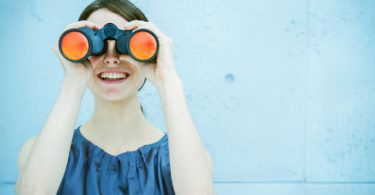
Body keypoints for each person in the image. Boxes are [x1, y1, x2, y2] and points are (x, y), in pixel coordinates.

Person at [15, 0, 214, 194]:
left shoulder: (185, 158)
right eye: (97, 46)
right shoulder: (38, 152)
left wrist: (167, 80)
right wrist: (74, 79)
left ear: (151, 52)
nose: (111, 59)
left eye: (124, 45)